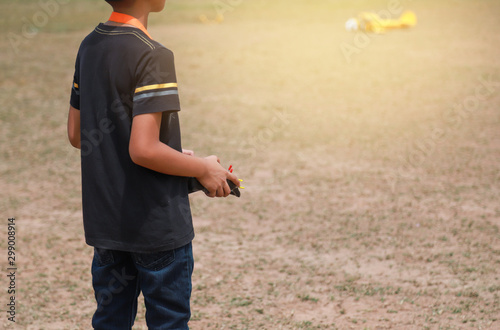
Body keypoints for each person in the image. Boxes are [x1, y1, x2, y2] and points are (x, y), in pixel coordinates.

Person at [66, 0, 240, 328]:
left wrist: (176, 155)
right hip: (155, 228)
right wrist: (204, 168)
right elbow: (143, 150)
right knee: (168, 323)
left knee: (110, 320)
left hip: (107, 227)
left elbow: (78, 134)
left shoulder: (89, 45)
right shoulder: (153, 54)